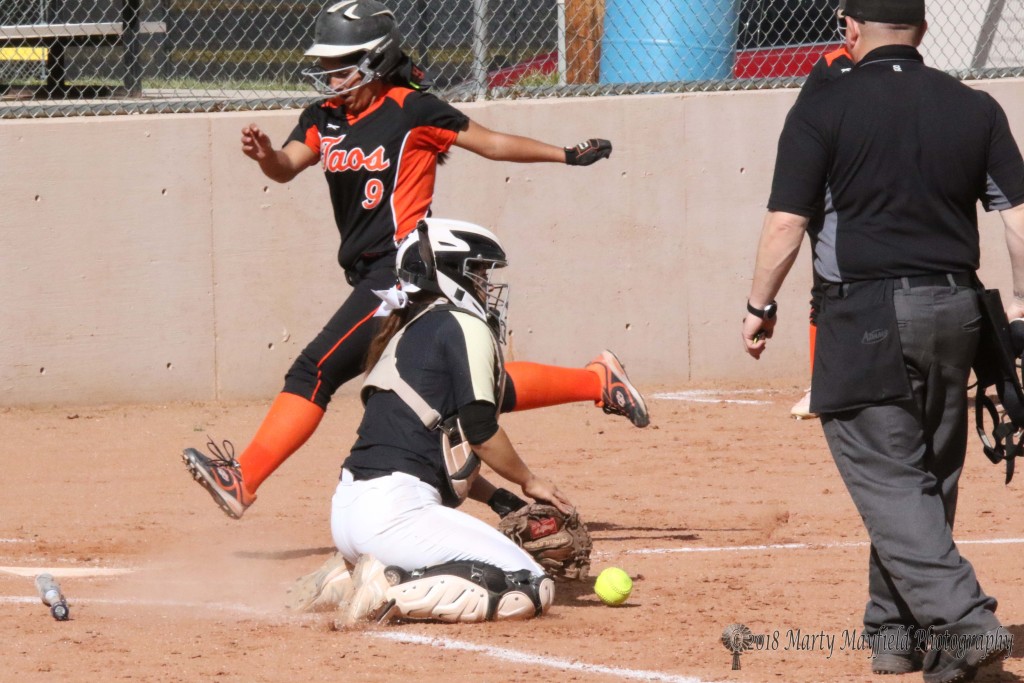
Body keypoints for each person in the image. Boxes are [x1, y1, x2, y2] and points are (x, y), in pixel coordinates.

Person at [181, 0, 648, 521]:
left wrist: (563, 154)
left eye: (341, 64)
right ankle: (596, 381)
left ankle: (244, 477)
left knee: (315, 369)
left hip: (401, 273)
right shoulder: (322, 117)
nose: (329, 75)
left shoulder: (412, 109)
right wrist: (266, 154)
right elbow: (287, 166)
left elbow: (490, 143)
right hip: (371, 274)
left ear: (375, 60)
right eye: (326, 65)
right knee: (459, 385)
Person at [741, 0, 1024, 680]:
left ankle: (964, 623)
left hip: (866, 312)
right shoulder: (976, 107)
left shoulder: (824, 106)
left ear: (850, 28)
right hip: (958, 306)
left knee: (889, 475)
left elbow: (787, 222)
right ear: (923, 31)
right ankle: (895, 632)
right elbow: (1019, 215)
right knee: (928, 473)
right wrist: (1019, 311)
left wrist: (759, 302)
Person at [289, 218, 569, 625]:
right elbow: (481, 433)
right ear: (446, 273)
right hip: (394, 515)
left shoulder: (406, 330)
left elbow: (431, 449)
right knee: (530, 585)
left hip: (350, 511)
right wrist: (529, 481)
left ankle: (346, 577)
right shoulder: (462, 324)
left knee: (502, 572)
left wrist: (497, 499)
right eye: (476, 271)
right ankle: (388, 587)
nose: (483, 285)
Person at [789, 20, 854, 420]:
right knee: (827, 289)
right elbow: (803, 133)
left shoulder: (900, 69)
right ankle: (822, 385)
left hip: (876, 195)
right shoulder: (834, 66)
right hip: (831, 194)